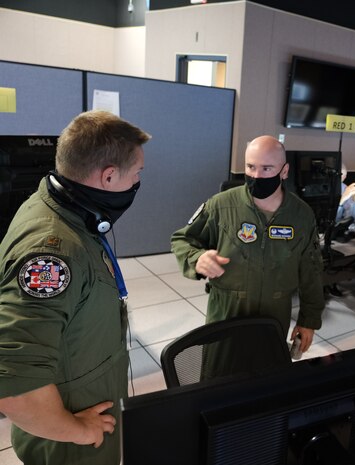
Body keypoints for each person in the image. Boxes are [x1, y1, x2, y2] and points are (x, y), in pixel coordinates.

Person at [0, 110, 150, 465]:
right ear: (110, 176)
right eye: (137, 174)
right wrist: (81, 431)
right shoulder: (53, 252)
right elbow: (14, 386)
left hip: (83, 399)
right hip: (69, 437)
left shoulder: (65, 207)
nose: (137, 182)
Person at [171, 135, 325, 359]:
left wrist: (308, 321)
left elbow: (311, 270)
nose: (256, 176)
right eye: (250, 167)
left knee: (265, 379)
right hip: (225, 315)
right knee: (219, 380)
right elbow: (181, 240)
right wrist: (198, 258)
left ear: (284, 171)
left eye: (266, 168)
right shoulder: (221, 205)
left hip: (274, 317)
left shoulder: (301, 215)